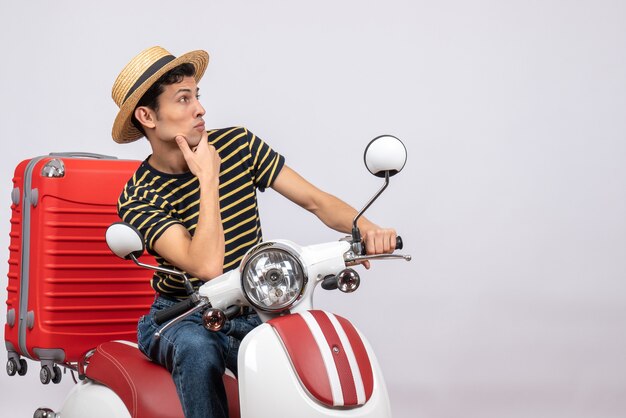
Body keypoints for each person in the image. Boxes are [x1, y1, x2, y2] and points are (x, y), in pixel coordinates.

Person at [110, 46, 397, 418]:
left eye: (197, 96)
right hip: (183, 316)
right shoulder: (138, 196)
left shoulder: (238, 144)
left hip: (257, 305)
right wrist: (208, 179)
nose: (200, 109)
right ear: (147, 115)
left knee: (309, 347)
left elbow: (314, 200)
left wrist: (368, 229)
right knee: (198, 351)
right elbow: (207, 265)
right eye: (183, 100)